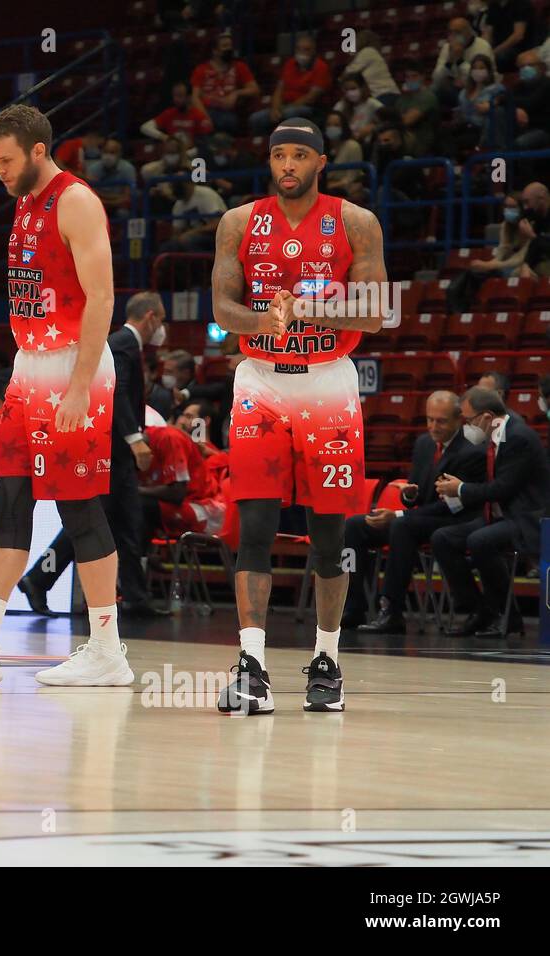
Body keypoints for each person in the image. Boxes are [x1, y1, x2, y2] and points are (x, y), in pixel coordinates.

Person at [0, 104, 134, 687]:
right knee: (9, 498)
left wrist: (81, 387)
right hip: (29, 367)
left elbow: (103, 298)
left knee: (77, 503)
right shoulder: (25, 203)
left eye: (6, 160)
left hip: (72, 369)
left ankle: (108, 649)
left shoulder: (77, 200)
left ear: (39, 151)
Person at [210, 117, 389, 715]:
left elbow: (374, 312)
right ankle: (252, 664)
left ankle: (327, 661)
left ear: (321, 162)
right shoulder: (239, 222)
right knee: (253, 527)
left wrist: (307, 308)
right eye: (279, 155)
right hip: (259, 380)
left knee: (328, 532)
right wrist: (260, 321)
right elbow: (222, 306)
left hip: (327, 385)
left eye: (299, 156)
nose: (288, 165)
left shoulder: (355, 221)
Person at [18, 291, 165, 619]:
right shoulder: (124, 343)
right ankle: (41, 579)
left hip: (111, 450)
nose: (162, 328)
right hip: (112, 451)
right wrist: (136, 438)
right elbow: (119, 392)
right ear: (151, 317)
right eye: (162, 320)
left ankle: (43, 579)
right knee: (107, 523)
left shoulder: (124, 344)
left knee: (114, 523)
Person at [343, 391, 485, 633]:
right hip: (422, 517)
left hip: (452, 521)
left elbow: (451, 505)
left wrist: (400, 514)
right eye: (430, 420)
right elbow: (419, 495)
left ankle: (391, 610)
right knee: (355, 525)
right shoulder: (424, 444)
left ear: (458, 420)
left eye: (441, 421)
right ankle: (352, 607)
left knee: (401, 526)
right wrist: (408, 495)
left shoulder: (471, 451)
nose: (433, 426)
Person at [432, 387, 550, 637]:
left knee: (481, 540)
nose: (466, 427)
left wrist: (461, 489)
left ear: (486, 417)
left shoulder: (519, 437)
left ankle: (508, 616)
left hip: (525, 517)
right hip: (499, 516)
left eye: (468, 420)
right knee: (443, 538)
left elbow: (503, 489)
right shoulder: (497, 437)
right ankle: (481, 610)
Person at [139, 423, 226, 543]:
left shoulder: (169, 438)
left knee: (139, 504)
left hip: (204, 508)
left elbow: (177, 493)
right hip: (179, 504)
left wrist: (134, 490)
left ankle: (139, 559)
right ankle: (144, 558)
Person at [447, 194, 532, 312]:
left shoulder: (529, 225)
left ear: (522, 208)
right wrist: (485, 265)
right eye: (506, 206)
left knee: (522, 271)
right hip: (506, 267)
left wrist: (490, 265)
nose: (508, 210)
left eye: (513, 207)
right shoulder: (505, 226)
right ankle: (459, 311)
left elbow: (522, 257)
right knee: (471, 274)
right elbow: (501, 253)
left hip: (523, 266)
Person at [248, 34, 332, 135]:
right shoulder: (289, 64)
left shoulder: (321, 67)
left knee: (290, 113)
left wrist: (285, 110)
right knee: (255, 118)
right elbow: (279, 90)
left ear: (313, 51)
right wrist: (275, 108)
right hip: (284, 106)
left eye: (306, 49)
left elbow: (311, 97)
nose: (301, 52)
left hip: (309, 108)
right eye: (298, 49)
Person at [191, 31, 260, 135]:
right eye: (225, 46)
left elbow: (255, 89)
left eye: (230, 46)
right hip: (206, 110)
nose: (229, 49)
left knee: (229, 121)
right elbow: (194, 97)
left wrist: (236, 93)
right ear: (215, 51)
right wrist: (205, 118)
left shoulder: (239, 66)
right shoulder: (201, 69)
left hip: (228, 113)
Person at [432, 17, 495, 109]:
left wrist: (459, 61)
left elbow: (480, 79)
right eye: (451, 32)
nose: (453, 36)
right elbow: (436, 79)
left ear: (468, 32)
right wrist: (449, 62)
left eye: (457, 32)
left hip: (479, 91)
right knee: (433, 90)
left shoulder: (482, 46)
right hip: (455, 89)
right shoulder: (447, 48)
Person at [454, 54, 506, 152]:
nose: (478, 71)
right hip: (465, 129)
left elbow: (502, 101)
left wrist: (492, 104)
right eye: (475, 68)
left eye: (482, 68)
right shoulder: (463, 93)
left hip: (483, 130)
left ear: (489, 71)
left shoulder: (496, 89)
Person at [163, 177, 227, 253]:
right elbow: (176, 231)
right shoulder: (178, 204)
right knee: (168, 246)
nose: (177, 187)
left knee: (188, 241)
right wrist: (176, 238)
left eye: (180, 183)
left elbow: (218, 223)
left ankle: (206, 264)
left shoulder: (205, 194)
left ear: (190, 183)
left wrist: (192, 232)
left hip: (215, 235)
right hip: (193, 235)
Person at [140, 82, 214, 147]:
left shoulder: (199, 116)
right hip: (173, 155)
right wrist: (166, 138)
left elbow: (204, 145)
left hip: (192, 157)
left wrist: (185, 155)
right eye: (174, 95)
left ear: (189, 97)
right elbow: (145, 128)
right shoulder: (169, 113)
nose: (176, 99)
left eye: (180, 96)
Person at [339, 30, 400, 106]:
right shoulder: (373, 53)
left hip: (384, 95)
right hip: (385, 94)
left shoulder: (368, 51)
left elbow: (348, 74)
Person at [396, 59, 442, 156]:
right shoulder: (402, 98)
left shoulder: (427, 96)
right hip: (403, 137)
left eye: (414, 76)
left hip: (420, 140)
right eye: (408, 77)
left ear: (422, 77)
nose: (410, 79)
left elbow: (406, 121)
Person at [509, 52, 550, 151]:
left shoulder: (547, 84)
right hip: (523, 128)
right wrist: (516, 109)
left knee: (521, 143)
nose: (526, 69)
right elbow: (506, 99)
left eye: (530, 65)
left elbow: (531, 103)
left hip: (543, 129)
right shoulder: (519, 86)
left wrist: (514, 105)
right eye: (522, 66)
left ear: (541, 67)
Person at [482, 0, 537, 72]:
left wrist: (494, 52)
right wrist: (484, 49)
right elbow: (488, 33)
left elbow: (518, 36)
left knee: (501, 57)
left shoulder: (521, 4)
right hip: (498, 46)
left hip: (519, 47)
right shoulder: (493, 6)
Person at [332, 73, 385, 144]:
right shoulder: (341, 105)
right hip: (345, 142)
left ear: (362, 87)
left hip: (365, 144)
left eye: (353, 88)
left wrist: (373, 127)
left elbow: (387, 121)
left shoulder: (372, 104)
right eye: (347, 89)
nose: (350, 92)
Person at [323, 111, 365, 197]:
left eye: (336, 125)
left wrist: (328, 186)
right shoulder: (321, 147)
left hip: (348, 190)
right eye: (329, 125)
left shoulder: (353, 146)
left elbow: (351, 178)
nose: (332, 128)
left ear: (344, 127)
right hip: (326, 189)